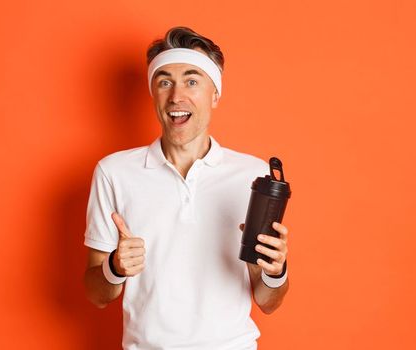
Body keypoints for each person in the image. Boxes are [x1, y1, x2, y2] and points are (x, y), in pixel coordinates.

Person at [82, 26, 291, 349]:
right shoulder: (114, 172)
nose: (176, 96)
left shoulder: (254, 175)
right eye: (164, 82)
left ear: (215, 94)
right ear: (153, 93)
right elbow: (97, 294)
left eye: (192, 81)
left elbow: (268, 301)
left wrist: (275, 271)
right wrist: (114, 267)